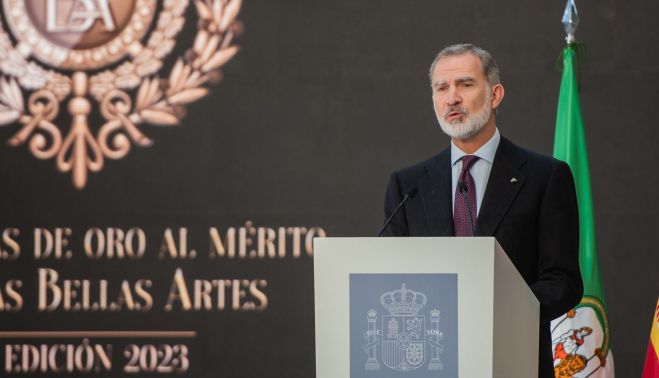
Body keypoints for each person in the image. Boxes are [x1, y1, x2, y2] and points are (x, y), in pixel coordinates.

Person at [382, 44, 583, 378]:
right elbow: (390, 277)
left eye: (465, 84)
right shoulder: (408, 185)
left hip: (513, 360)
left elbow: (563, 282)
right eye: (441, 88)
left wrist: (495, 308)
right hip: (429, 364)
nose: (452, 98)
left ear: (495, 94)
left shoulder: (545, 177)